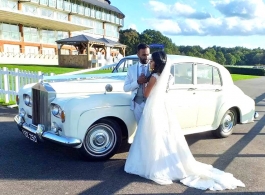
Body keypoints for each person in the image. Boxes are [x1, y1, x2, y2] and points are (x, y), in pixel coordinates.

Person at [124, 51, 245, 191]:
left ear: (156, 62)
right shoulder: (166, 76)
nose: (150, 62)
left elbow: (146, 94)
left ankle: (150, 162)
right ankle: (158, 159)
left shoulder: (154, 77)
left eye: (152, 61)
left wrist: (144, 82)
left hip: (153, 107)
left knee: (152, 133)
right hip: (162, 105)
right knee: (163, 134)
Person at [123, 43, 150, 123]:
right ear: (138, 54)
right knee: (140, 128)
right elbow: (126, 88)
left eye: (148, 54)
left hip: (150, 103)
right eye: (143, 55)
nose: (146, 57)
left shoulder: (154, 67)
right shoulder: (131, 69)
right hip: (137, 104)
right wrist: (137, 82)